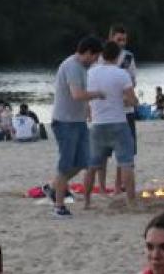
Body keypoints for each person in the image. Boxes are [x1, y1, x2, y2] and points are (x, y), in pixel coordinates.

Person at [50, 36, 106, 219]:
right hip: (64, 122)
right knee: (65, 164)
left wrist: (88, 109)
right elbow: (77, 94)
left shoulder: (83, 67)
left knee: (84, 161)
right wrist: (97, 94)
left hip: (78, 121)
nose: (96, 61)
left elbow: (81, 95)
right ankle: (59, 206)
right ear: (88, 53)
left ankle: (53, 187)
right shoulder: (72, 66)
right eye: (95, 57)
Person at [84, 40, 139, 208]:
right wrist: (122, 100)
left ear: (101, 55)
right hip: (118, 123)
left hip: (98, 124)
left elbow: (87, 98)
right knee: (126, 164)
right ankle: (131, 202)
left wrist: (90, 113)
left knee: (92, 166)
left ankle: (87, 202)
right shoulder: (121, 74)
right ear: (117, 57)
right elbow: (133, 100)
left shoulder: (91, 73)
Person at [109, 24, 140, 196]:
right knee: (106, 152)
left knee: (127, 150)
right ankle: (109, 187)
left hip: (126, 109)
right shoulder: (102, 58)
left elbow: (133, 80)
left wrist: (125, 90)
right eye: (118, 39)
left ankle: (118, 186)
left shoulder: (128, 57)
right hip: (109, 110)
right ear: (111, 38)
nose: (121, 43)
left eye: (124, 40)